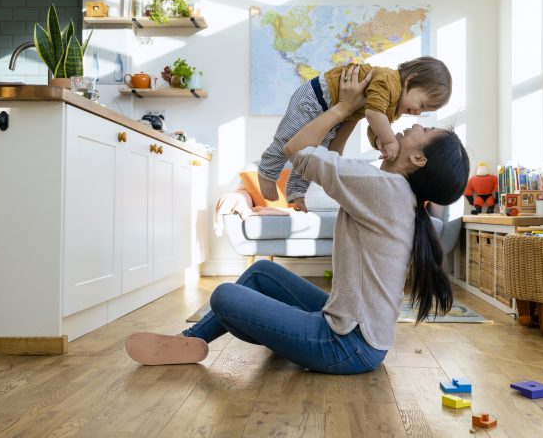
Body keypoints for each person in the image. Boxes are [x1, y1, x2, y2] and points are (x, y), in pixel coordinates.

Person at [125, 65, 470, 374]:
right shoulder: (392, 191)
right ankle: (190, 342)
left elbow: (297, 149)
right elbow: (328, 160)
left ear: (418, 159)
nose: (414, 124)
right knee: (262, 273)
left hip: (345, 345)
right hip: (355, 335)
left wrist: (343, 106)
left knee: (224, 296)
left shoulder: (383, 187)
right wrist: (352, 114)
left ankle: (260, 334)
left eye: (423, 129)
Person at [258, 57, 452, 212]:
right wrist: (389, 139)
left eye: (425, 111)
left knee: (316, 151)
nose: (418, 114)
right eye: (422, 105)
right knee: (288, 136)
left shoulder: (394, 109)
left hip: (336, 109)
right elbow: (373, 114)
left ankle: (296, 190)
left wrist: (378, 140)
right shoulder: (389, 81)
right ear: (410, 81)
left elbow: (373, 124)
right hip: (317, 96)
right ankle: (267, 171)